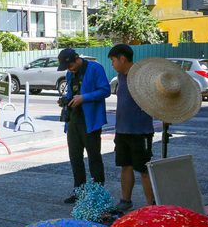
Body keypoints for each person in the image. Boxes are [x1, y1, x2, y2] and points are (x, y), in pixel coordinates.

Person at [57, 48, 111, 204]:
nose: (69, 69)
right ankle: (79, 191)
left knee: (94, 157)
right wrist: (66, 101)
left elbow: (105, 90)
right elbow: (70, 95)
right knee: (75, 158)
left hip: (91, 121)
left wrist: (84, 98)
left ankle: (97, 193)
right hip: (73, 120)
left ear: (76, 58)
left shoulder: (95, 68)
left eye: (70, 65)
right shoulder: (69, 73)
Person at [108, 44, 155, 212]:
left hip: (140, 132)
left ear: (122, 59)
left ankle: (152, 206)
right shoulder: (120, 77)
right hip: (122, 130)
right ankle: (125, 200)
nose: (112, 64)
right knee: (125, 165)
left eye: (113, 60)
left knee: (144, 169)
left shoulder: (142, 77)